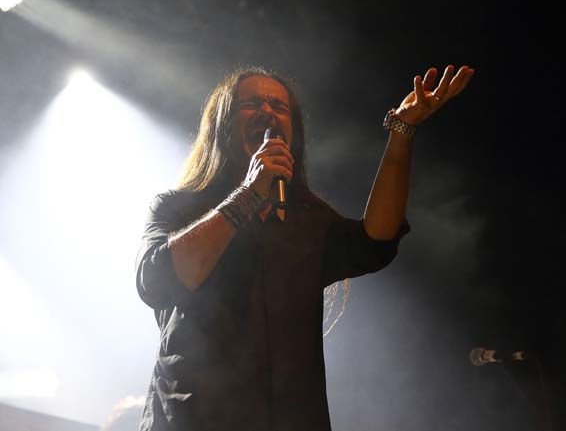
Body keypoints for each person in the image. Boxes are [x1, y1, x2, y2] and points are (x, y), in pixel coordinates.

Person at [135, 64, 474, 431]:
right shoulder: (177, 209)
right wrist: (249, 194)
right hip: (193, 418)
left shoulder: (307, 219)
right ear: (222, 125)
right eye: (251, 103)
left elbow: (375, 242)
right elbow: (155, 281)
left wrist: (402, 132)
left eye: (279, 107)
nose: (267, 112)